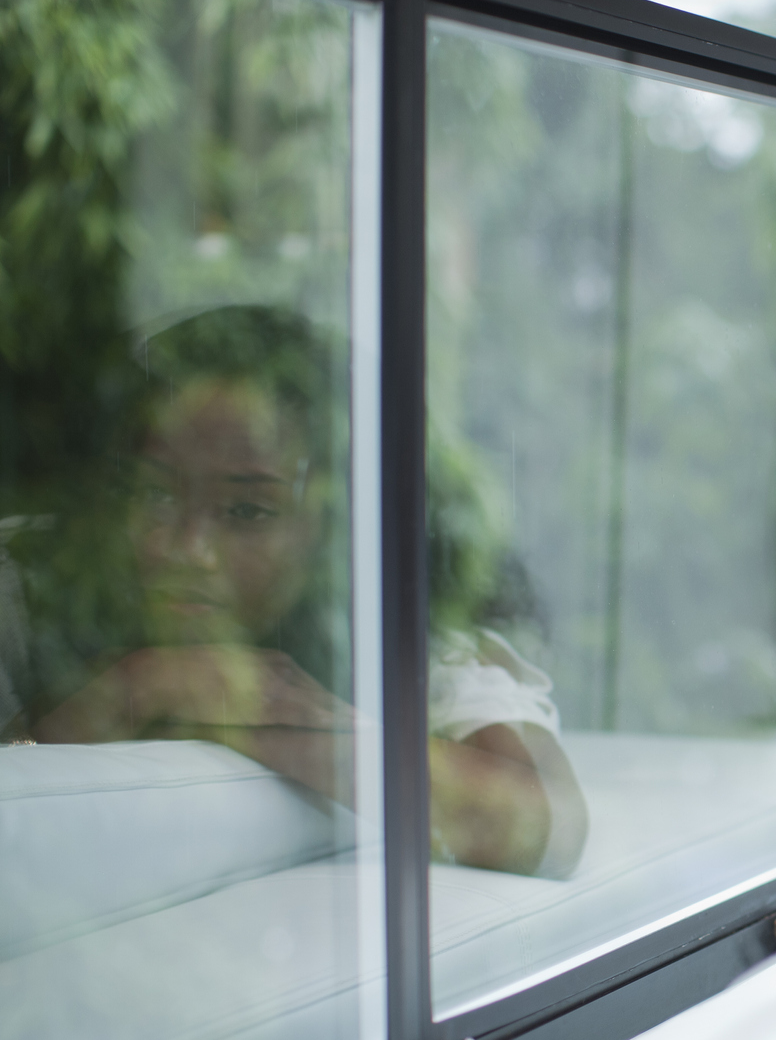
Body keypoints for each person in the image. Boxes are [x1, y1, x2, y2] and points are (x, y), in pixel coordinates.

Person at [25, 305, 586, 878]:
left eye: (247, 510)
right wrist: (131, 689)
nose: (190, 548)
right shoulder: (36, 611)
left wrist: (266, 710)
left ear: (338, 532)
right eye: (157, 496)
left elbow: (552, 826)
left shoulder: (419, 657)